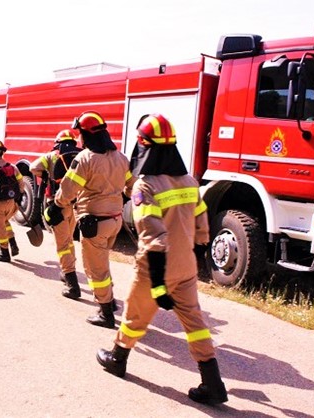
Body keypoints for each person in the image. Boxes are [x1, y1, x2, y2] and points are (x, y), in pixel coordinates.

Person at [96, 113, 228, 405]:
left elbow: (154, 240)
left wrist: (157, 286)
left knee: (133, 317)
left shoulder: (145, 187)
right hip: (186, 268)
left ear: (145, 146)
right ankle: (213, 384)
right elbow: (202, 229)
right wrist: (192, 259)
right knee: (195, 322)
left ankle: (117, 360)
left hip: (156, 269)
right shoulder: (190, 181)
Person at [51, 111, 136, 328]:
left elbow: (69, 189)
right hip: (115, 221)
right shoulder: (121, 158)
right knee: (102, 261)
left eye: (80, 133)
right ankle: (110, 300)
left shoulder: (85, 158)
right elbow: (131, 187)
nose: (78, 138)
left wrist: (57, 205)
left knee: (94, 268)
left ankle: (105, 312)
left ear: (87, 135)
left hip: (94, 223)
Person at [30, 129, 83, 299]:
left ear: (57, 142)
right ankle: (68, 270)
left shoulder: (52, 155)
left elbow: (33, 167)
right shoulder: (82, 155)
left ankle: (72, 284)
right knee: (69, 239)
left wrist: (45, 174)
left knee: (62, 244)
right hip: (76, 205)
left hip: (57, 205)